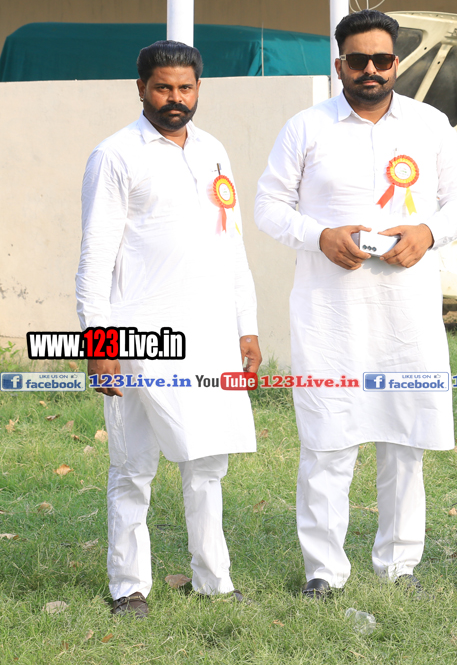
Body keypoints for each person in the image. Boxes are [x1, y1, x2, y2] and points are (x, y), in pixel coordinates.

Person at [253, 10, 457, 598]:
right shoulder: (306, 127)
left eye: (382, 59)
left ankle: (400, 567)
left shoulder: (429, 125)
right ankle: (323, 572)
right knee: (328, 441)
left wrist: (427, 232)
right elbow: (267, 206)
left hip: (406, 316)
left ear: (397, 63)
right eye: (359, 60)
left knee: (403, 442)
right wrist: (318, 237)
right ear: (340, 65)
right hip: (330, 316)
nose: (371, 70)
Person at [76, 40, 261, 618]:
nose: (174, 98)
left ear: (199, 88)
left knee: (207, 462)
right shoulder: (115, 155)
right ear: (141, 89)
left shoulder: (213, 151)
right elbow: (94, 259)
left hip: (210, 337)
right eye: (163, 88)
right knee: (134, 465)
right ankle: (128, 587)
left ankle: (214, 581)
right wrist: (98, 343)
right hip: (138, 336)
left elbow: (232, 245)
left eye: (185, 87)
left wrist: (247, 327)